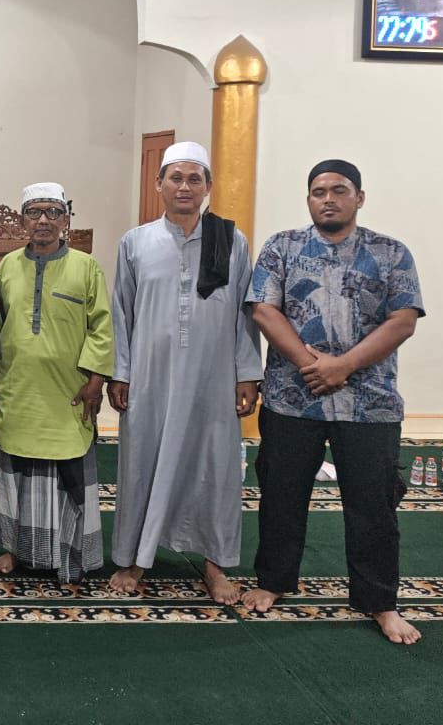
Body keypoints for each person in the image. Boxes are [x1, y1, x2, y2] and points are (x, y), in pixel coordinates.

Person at [242, 160, 424, 645]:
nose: (328, 199)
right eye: (318, 191)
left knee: (374, 505)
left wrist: (343, 367)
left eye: (339, 190)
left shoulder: (391, 253)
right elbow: (264, 310)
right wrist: (313, 365)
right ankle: (273, 581)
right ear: (308, 199)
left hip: (369, 403)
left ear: (359, 198)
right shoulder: (282, 247)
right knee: (281, 496)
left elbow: (403, 320)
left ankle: (380, 601)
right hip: (292, 399)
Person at [108, 141, 262, 604]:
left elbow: (244, 313)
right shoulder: (135, 242)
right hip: (151, 378)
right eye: (175, 177)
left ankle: (214, 565)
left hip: (211, 379)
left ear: (208, 186)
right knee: (143, 464)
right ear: (159, 184)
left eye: (195, 179)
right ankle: (135, 558)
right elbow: (121, 313)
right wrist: (121, 373)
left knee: (213, 467)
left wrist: (247, 373)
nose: (184, 187)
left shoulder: (231, 242)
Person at [0, 183, 114, 583]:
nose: (43, 220)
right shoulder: (7, 266)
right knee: (16, 472)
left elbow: (101, 327)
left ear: (65, 219)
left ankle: (70, 554)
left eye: (52, 212)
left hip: (68, 392)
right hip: (20, 389)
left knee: (69, 469)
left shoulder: (86, 267)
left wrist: (96, 380)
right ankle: (14, 550)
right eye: (34, 212)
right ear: (22, 219)